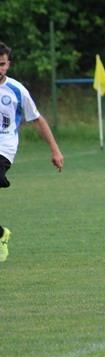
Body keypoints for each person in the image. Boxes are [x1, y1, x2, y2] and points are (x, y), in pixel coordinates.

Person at [0, 41, 64, 262]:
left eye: (2, 64)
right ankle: (1, 234)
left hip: (4, 148)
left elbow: (38, 119)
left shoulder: (17, 90)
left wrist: (55, 151)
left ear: (8, 65)